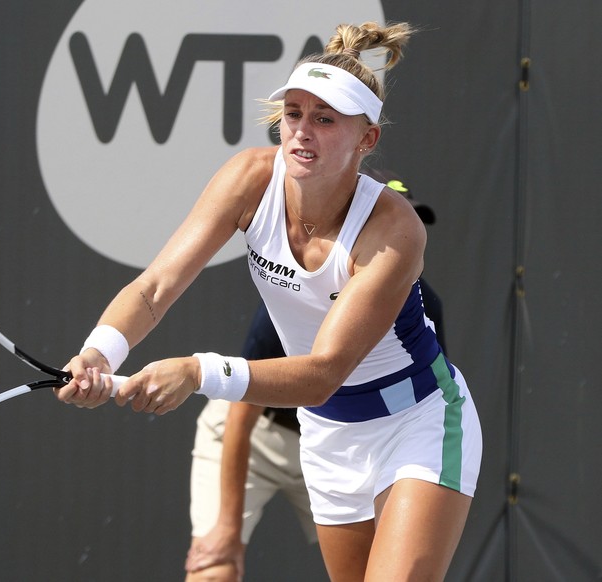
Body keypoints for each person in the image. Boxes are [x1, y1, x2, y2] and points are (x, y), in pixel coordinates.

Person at [56, 21, 482, 581]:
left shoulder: (394, 230)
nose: (302, 132)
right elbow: (153, 288)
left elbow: (324, 371)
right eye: (294, 113)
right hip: (328, 433)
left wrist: (196, 370)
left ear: (366, 139)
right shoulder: (249, 180)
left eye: (325, 119)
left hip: (418, 424)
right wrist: (99, 352)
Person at [184, 170, 447, 582]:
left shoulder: (424, 305)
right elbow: (241, 414)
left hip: (346, 439)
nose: (392, 248)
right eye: (379, 236)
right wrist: (228, 529)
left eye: (409, 229)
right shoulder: (303, 294)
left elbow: (420, 392)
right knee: (213, 568)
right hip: (255, 431)